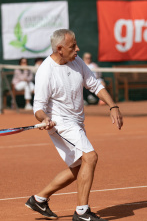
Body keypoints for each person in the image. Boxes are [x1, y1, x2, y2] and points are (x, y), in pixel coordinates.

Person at [25, 29, 123, 221]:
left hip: (76, 122)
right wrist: (44, 118)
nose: (77, 49)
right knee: (91, 157)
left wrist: (113, 105)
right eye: (72, 46)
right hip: (60, 124)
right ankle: (82, 212)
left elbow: (95, 84)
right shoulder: (46, 71)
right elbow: (38, 107)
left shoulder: (77, 62)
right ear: (60, 49)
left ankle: (39, 199)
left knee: (79, 167)